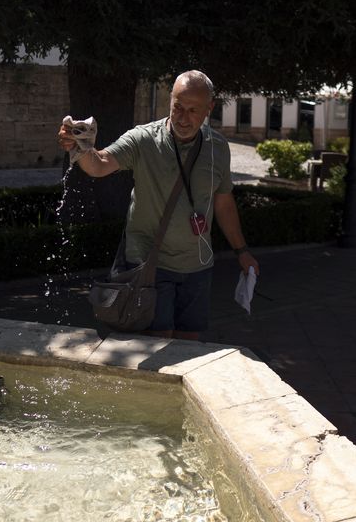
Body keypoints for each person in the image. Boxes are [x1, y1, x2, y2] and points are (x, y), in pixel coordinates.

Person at [57, 70, 259, 340]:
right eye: (178, 107)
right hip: (150, 263)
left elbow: (223, 204)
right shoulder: (144, 139)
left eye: (193, 111)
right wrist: (80, 146)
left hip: (198, 265)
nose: (183, 118)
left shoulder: (218, 147)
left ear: (209, 108)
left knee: (190, 341)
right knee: (158, 338)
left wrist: (242, 251)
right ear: (170, 101)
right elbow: (99, 164)